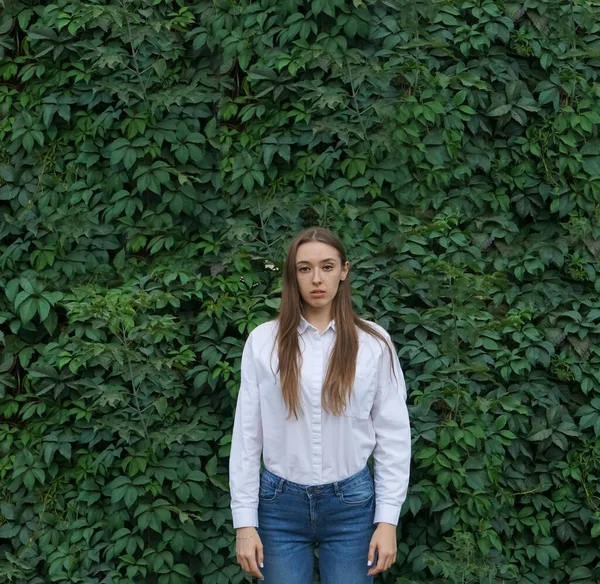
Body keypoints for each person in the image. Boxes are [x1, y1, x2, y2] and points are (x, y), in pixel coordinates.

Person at [229, 226, 411, 583]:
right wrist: (244, 524)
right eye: (304, 268)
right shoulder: (263, 342)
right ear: (292, 275)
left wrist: (387, 519)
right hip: (279, 507)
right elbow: (247, 437)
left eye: (327, 267)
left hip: (352, 507)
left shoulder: (373, 343)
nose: (316, 279)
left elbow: (393, 434)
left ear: (344, 271)